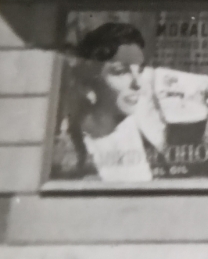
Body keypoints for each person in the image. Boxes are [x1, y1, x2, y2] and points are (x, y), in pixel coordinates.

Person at [59, 22, 166, 182]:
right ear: (90, 81)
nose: (138, 83)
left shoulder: (151, 134)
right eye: (121, 71)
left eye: (140, 70)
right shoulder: (68, 146)